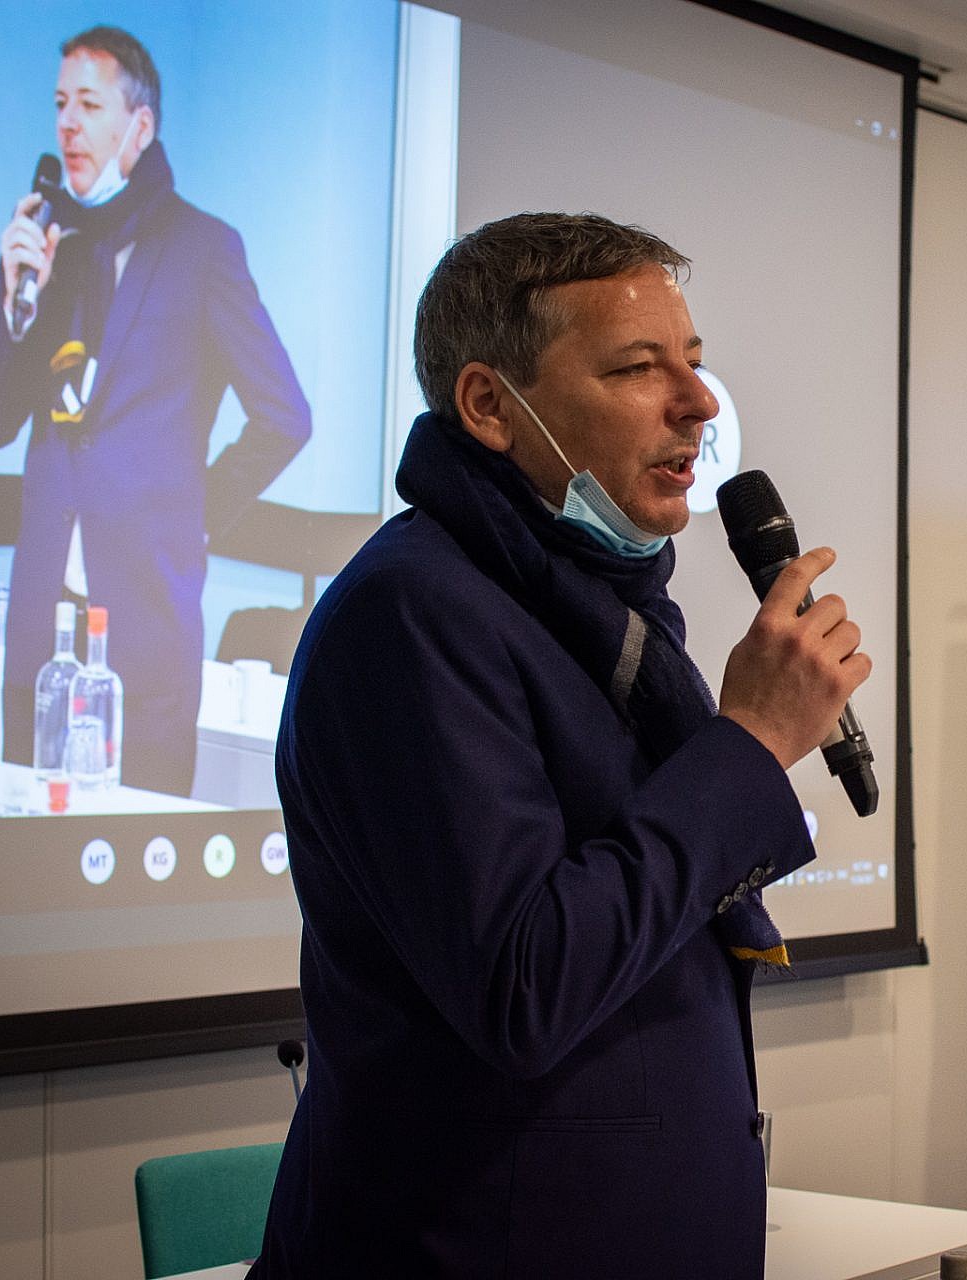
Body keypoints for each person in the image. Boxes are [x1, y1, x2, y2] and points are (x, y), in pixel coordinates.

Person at [249, 213, 869, 1277]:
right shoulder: (411, 614)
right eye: (638, 366)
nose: (700, 401)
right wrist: (751, 741)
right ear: (490, 406)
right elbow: (523, 983)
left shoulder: (592, 607)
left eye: (696, 361)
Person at [0, 25, 310, 796]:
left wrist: (193, 515)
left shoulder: (203, 248)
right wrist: (15, 308)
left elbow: (284, 414)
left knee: (135, 847)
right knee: (22, 849)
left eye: (90, 105)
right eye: (60, 104)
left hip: (145, 631)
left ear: (140, 126)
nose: (68, 123)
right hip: (39, 634)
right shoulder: (45, 248)